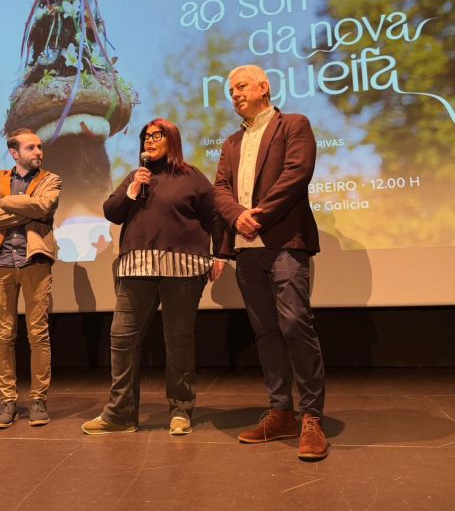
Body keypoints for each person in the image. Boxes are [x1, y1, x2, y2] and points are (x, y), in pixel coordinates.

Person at [213, 65, 329, 460]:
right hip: (247, 250)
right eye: (231, 90)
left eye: (241, 86)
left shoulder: (293, 124)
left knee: (295, 323)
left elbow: (297, 173)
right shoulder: (230, 143)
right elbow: (220, 189)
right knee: (265, 331)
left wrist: (257, 215)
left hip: (283, 243)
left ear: (264, 87)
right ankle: (281, 412)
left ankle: (312, 416)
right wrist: (235, 217)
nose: (235, 94)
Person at [81, 118, 224, 436]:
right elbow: (111, 211)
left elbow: (214, 216)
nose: (148, 140)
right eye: (145, 136)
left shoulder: (192, 177)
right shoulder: (136, 177)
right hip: (137, 268)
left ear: (172, 139)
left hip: (183, 269)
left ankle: (181, 410)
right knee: (122, 339)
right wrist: (131, 192)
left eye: (156, 135)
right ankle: (121, 414)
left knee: (178, 340)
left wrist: (220, 255)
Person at [0, 128, 61, 429]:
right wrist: (25, 209)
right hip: (1, 263)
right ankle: (8, 401)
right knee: (4, 335)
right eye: (31, 148)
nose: (38, 152)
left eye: (40, 147)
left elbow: (43, 207)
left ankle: (38, 399)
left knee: (37, 334)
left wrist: (6, 203)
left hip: (34, 262)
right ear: (15, 153)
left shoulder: (51, 180)